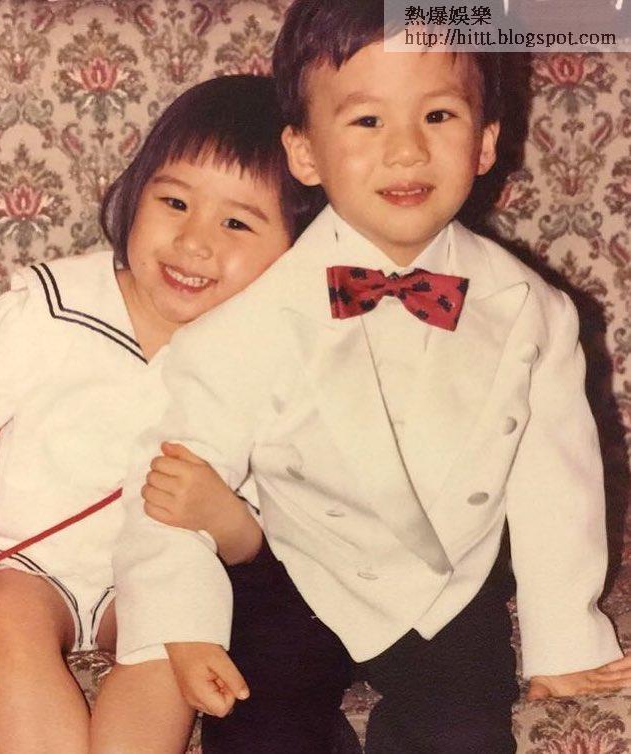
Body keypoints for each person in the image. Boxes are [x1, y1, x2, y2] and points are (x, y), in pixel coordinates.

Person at [112, 2, 631, 753]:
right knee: (261, 734)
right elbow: (168, 485)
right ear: (305, 153)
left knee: (463, 735)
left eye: (439, 116)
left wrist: (563, 640)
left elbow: (557, 484)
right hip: (295, 571)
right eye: (366, 121)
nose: (406, 151)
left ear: (485, 143)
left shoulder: (533, 312)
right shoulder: (245, 325)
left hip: (446, 583)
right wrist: (183, 626)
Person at [0, 74, 322, 754]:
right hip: (28, 563)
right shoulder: (49, 306)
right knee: (8, 617)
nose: (194, 241)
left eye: (236, 222)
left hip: (165, 574)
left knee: (176, 638)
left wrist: (225, 516)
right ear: (136, 193)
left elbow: (265, 531)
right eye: (175, 202)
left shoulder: (273, 361)